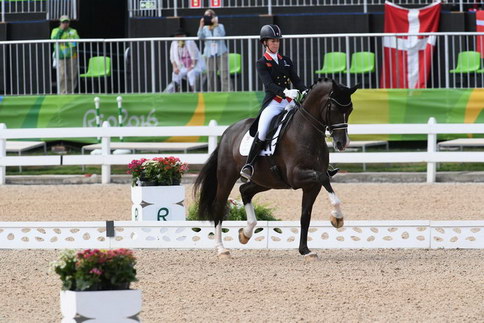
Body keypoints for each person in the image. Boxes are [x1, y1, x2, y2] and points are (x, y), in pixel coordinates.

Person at [240, 24, 307, 182]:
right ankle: (249, 165)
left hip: (289, 102)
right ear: (265, 43)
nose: (276, 43)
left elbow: (296, 80)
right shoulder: (262, 62)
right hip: (274, 102)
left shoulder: (286, 61)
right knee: (262, 131)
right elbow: (269, 84)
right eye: (272, 41)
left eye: (277, 41)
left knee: (306, 123)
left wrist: (305, 91)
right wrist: (284, 92)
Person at [197, 9, 231, 92]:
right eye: (206, 16)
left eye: (209, 16)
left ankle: (228, 93)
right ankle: (211, 94)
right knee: (211, 75)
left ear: (214, 16)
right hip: (209, 54)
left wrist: (215, 25)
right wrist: (201, 25)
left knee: (224, 74)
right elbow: (200, 37)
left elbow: (221, 36)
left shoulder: (220, 26)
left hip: (221, 53)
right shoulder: (204, 28)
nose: (208, 18)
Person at [51, 15, 79, 94]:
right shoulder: (55, 30)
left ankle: (71, 91)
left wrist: (65, 42)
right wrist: (61, 31)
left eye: (66, 22)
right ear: (60, 23)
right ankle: (63, 92)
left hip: (72, 55)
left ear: (69, 23)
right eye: (63, 22)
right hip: (60, 56)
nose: (65, 24)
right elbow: (54, 39)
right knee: (62, 75)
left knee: (72, 75)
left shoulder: (73, 31)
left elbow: (76, 41)